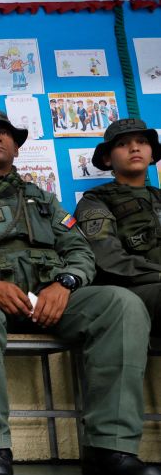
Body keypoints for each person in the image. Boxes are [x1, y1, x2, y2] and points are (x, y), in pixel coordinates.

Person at [0, 109, 156, 475]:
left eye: (5, 133)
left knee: (122, 303)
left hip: (52, 299)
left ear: (16, 148)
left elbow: (79, 250)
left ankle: (110, 448)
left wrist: (66, 284)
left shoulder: (44, 200)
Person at [75, 118, 161, 337]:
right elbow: (109, 260)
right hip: (132, 291)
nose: (134, 147)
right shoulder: (95, 201)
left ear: (152, 154)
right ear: (107, 158)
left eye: (142, 141)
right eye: (122, 144)